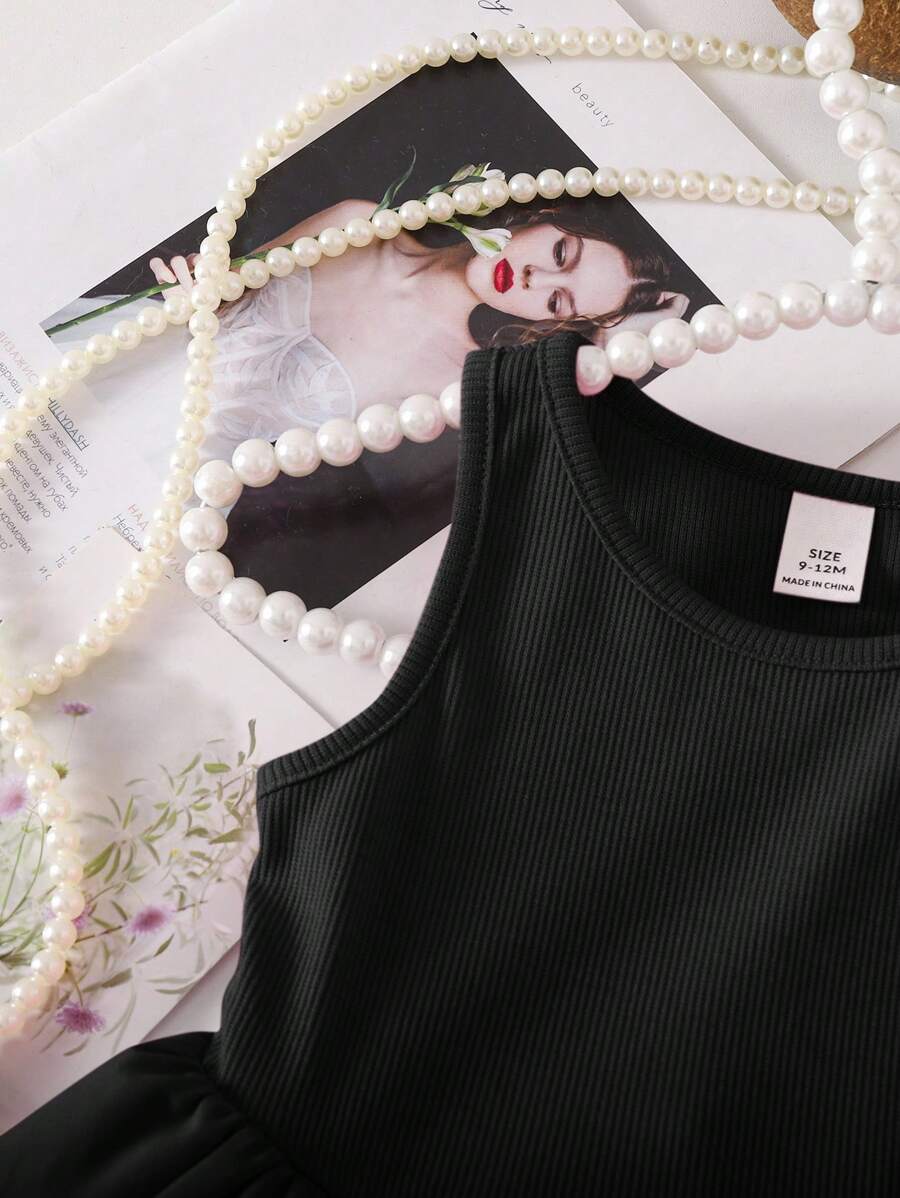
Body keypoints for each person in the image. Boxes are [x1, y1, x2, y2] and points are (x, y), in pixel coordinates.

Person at [46, 192, 704, 605]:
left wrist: (619, 328)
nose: (534, 277)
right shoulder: (359, 222)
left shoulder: (456, 384)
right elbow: (228, 294)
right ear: (541, 217)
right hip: (121, 360)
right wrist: (196, 288)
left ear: (549, 325)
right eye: (560, 251)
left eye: (557, 301)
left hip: (164, 485)